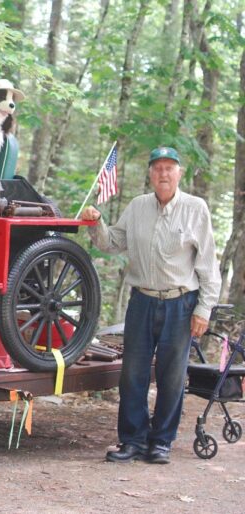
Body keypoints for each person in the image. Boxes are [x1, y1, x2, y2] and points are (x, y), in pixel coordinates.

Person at [81, 146, 221, 464]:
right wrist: (95, 223)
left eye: (170, 167)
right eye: (157, 167)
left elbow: (209, 266)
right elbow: (111, 242)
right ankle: (132, 440)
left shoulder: (195, 208)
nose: (163, 173)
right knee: (133, 374)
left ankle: (161, 442)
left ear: (180, 173)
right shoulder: (137, 207)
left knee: (172, 376)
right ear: (150, 173)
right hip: (142, 301)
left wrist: (204, 309)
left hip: (180, 304)